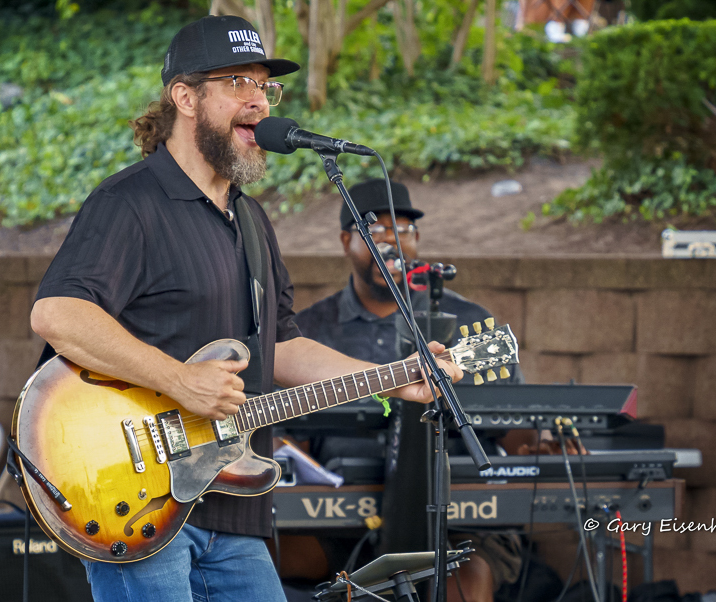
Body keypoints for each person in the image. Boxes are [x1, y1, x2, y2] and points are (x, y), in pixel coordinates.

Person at [29, 17, 462, 602]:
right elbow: (58, 313)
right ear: (185, 98)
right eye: (238, 82)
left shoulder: (252, 220)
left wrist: (392, 378)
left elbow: (280, 347)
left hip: (233, 508)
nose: (258, 100)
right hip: (135, 499)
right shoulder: (129, 202)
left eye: (265, 86)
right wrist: (179, 379)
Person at [291, 179, 570, 602]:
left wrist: (541, 447)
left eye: (402, 230)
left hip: (458, 516)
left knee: (464, 577)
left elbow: (515, 429)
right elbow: (291, 441)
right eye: (374, 231)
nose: (391, 242)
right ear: (346, 241)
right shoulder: (310, 329)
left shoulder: (467, 320)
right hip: (336, 518)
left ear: (417, 239)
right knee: (262, 550)